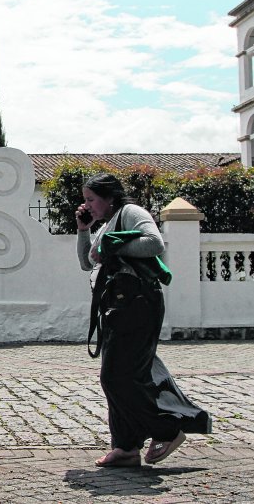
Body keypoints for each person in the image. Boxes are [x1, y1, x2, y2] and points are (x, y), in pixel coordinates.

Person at [75, 174, 211, 468]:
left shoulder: (130, 213)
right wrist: (84, 230)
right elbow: (88, 261)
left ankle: (167, 430)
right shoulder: (106, 225)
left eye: (91, 199)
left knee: (115, 377)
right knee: (123, 376)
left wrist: (113, 248)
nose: (86, 205)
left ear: (109, 197)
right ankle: (125, 448)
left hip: (138, 305)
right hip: (117, 308)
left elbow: (154, 244)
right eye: (85, 200)